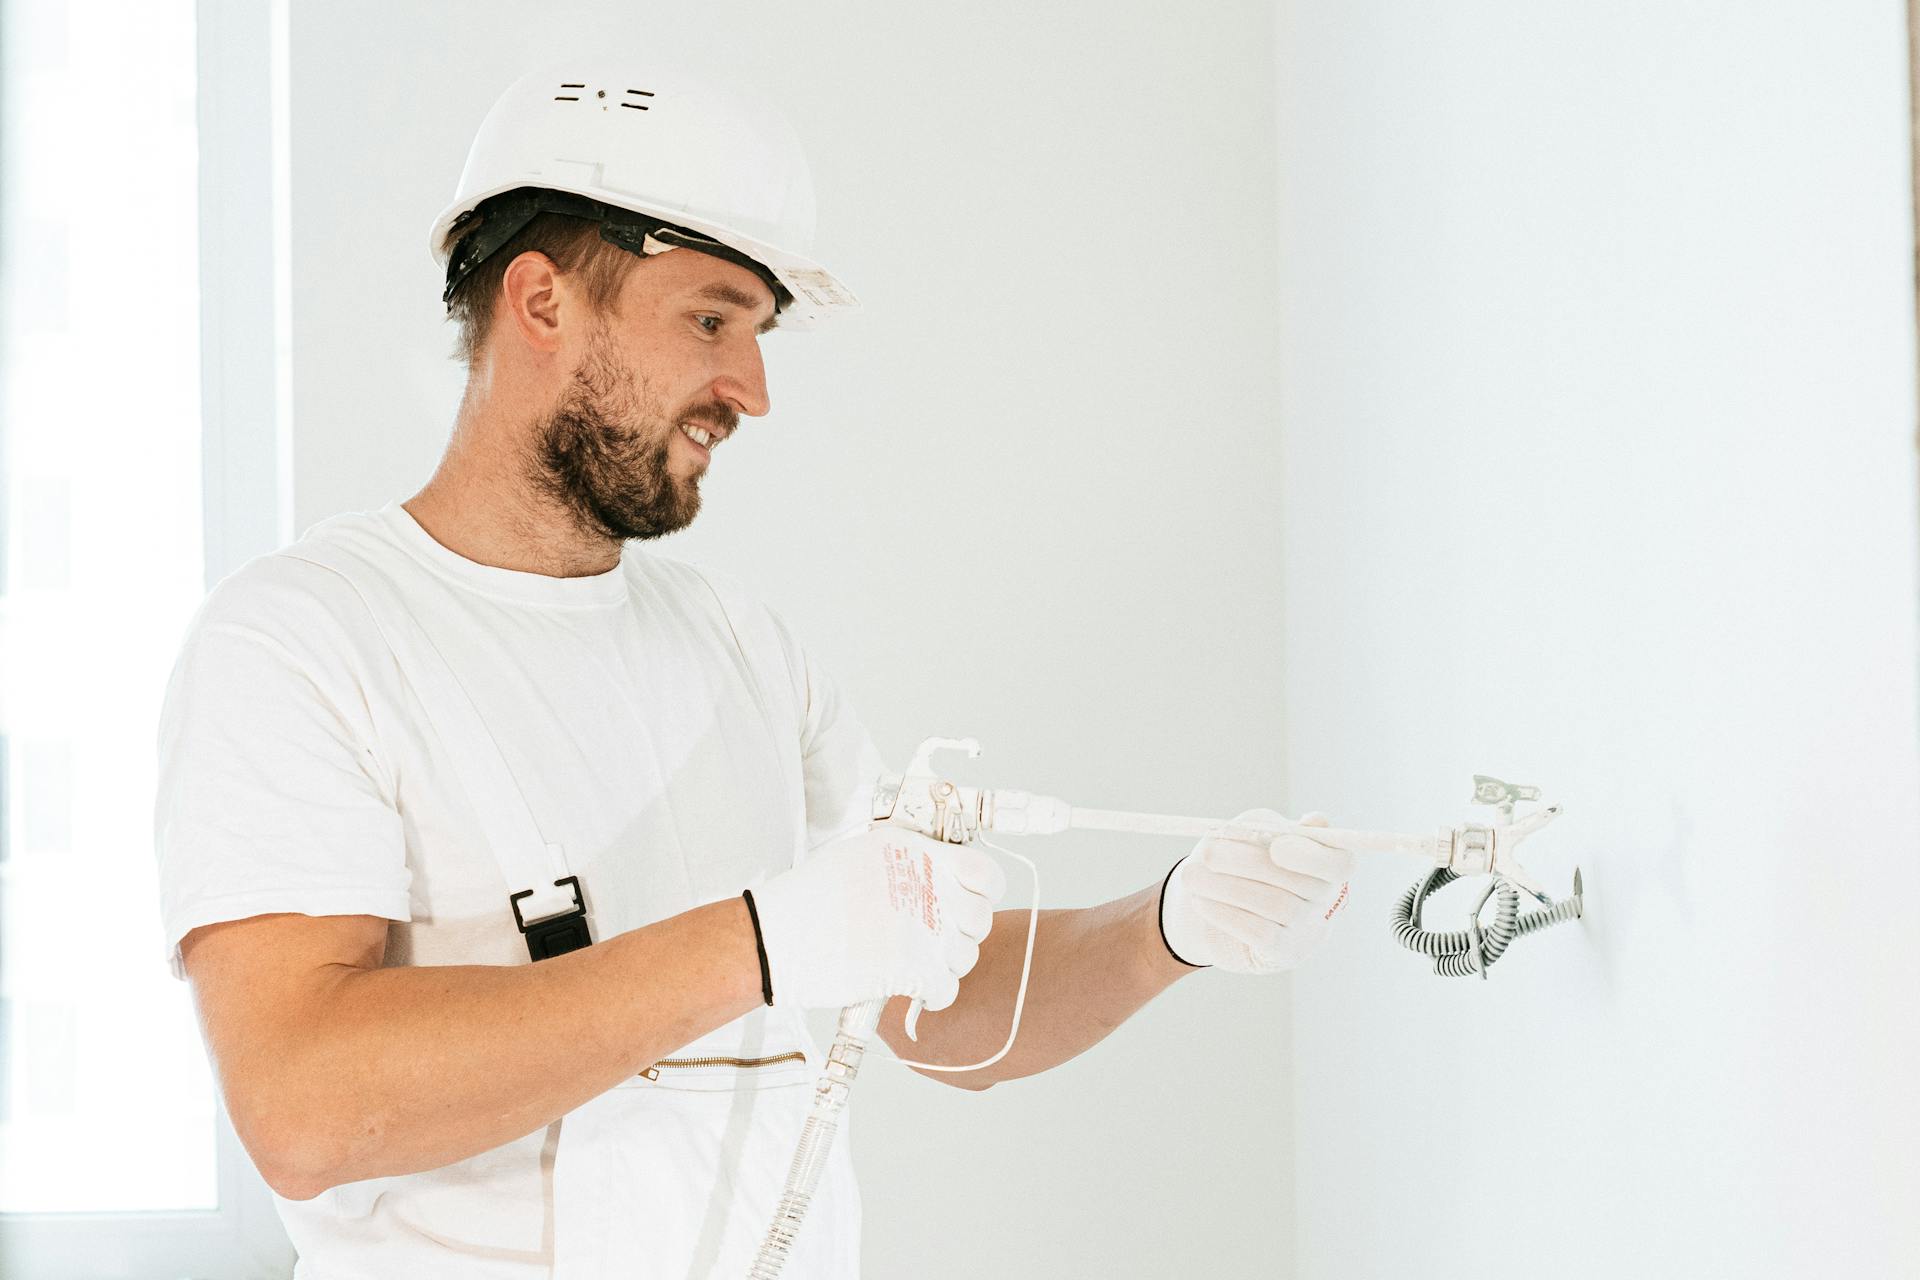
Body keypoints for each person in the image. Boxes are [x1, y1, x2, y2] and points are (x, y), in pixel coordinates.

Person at [154, 59, 1355, 1279]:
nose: (752, 391)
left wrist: (1172, 924)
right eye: (713, 320)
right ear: (543, 298)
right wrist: (761, 942)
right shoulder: (305, 639)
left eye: (758, 334)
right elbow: (301, 1103)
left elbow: (929, 996)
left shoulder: (739, 651)